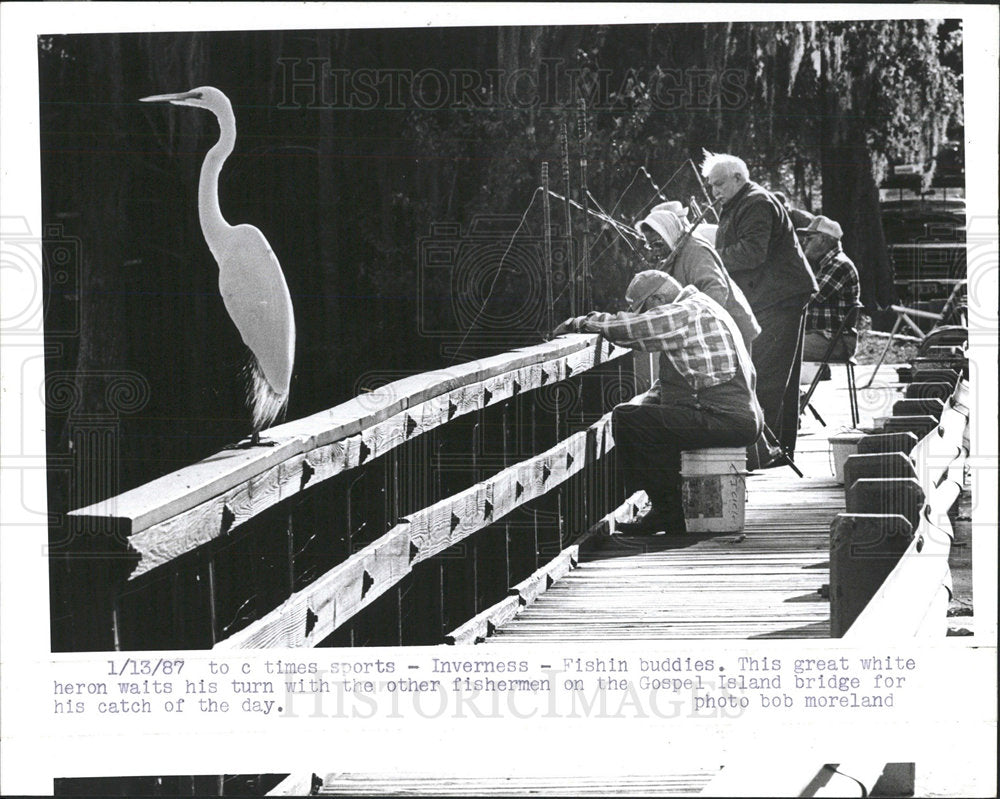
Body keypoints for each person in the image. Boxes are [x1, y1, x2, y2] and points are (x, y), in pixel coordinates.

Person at [553, 270, 764, 535]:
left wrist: (583, 322)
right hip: (740, 418)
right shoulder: (707, 306)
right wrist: (645, 405)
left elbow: (632, 329)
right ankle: (666, 507)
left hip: (726, 419)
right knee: (640, 418)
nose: (647, 314)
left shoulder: (685, 312)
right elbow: (678, 380)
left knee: (626, 419)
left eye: (647, 308)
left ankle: (667, 511)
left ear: (658, 298)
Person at [702, 152, 818, 468]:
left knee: (767, 373)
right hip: (777, 296)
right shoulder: (741, 202)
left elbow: (752, 253)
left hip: (778, 297)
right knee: (780, 374)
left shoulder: (755, 203)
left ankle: (764, 451)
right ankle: (776, 449)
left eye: (720, 184)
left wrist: (710, 257)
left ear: (739, 178)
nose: (715, 192)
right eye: (711, 186)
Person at [636, 208, 761, 349]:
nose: (655, 251)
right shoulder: (673, 254)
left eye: (658, 244)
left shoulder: (695, 251)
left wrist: (687, 321)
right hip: (710, 329)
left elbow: (717, 289)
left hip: (731, 330)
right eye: (650, 246)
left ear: (669, 233)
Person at [798, 215, 863, 361]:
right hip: (823, 337)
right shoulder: (824, 264)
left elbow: (807, 297)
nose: (804, 242)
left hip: (836, 341)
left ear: (822, 240)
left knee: (778, 347)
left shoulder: (838, 265)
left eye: (809, 238)